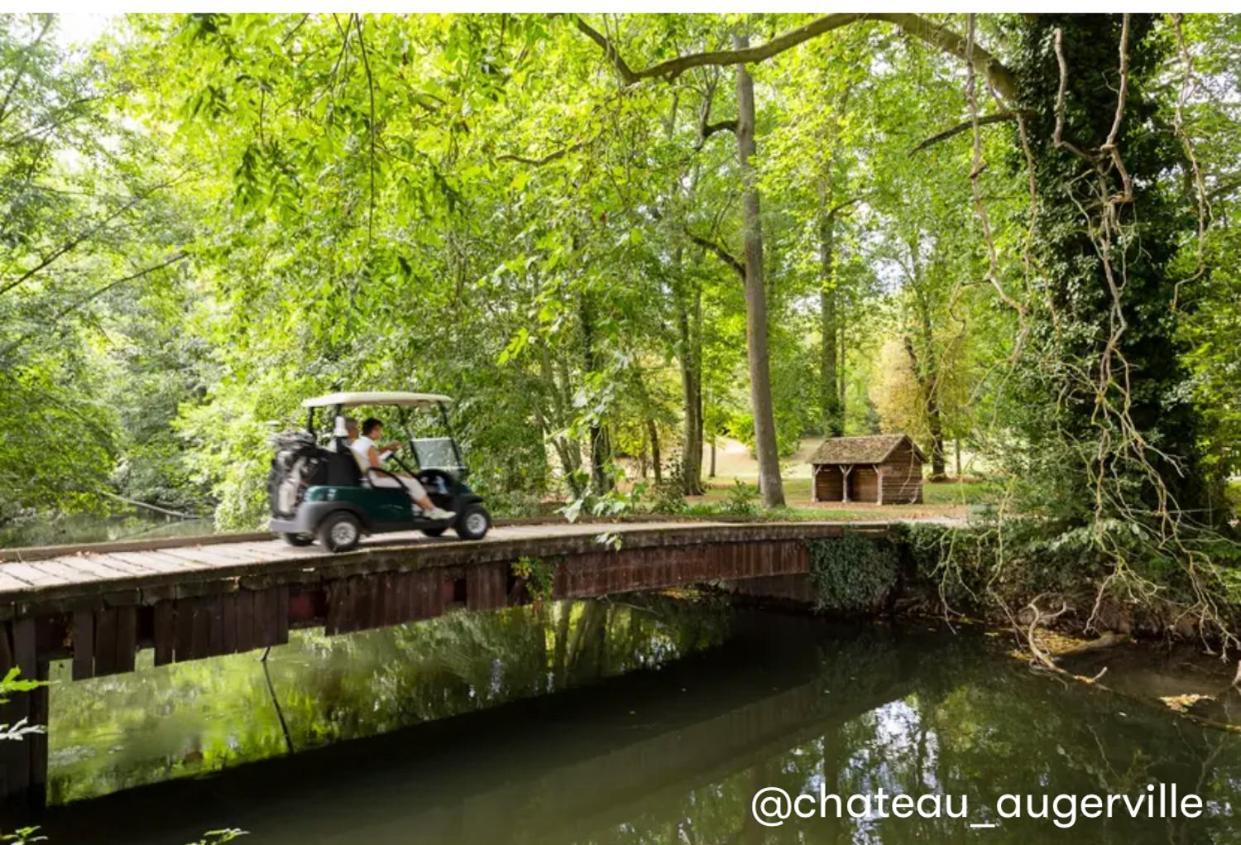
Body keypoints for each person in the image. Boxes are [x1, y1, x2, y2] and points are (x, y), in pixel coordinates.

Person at [352, 418, 455, 520]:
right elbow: (378, 472)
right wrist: (400, 475)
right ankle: (433, 510)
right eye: (380, 430)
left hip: (366, 478)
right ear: (374, 430)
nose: (381, 433)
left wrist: (388, 448)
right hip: (375, 479)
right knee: (412, 482)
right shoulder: (370, 446)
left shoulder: (359, 443)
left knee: (407, 478)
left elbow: (373, 455)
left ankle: (423, 508)